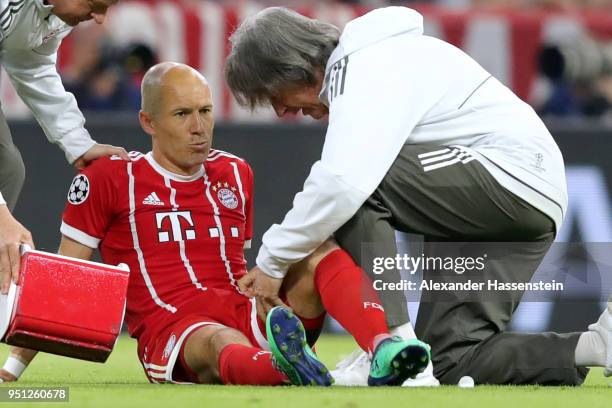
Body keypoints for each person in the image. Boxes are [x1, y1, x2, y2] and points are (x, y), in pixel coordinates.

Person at [224, 6, 612, 385]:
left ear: (293, 68)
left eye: (272, 94)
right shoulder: (370, 63)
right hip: (528, 199)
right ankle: (596, 345)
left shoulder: (361, 66)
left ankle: (391, 342)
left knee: (360, 186)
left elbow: (344, 183)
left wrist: (273, 261)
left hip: (508, 177)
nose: (280, 110)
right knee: (451, 358)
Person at [1, 62, 431, 385]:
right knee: (219, 340)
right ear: (148, 122)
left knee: (316, 249)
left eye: (205, 111)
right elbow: (64, 284)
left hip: (247, 309)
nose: (200, 128)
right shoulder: (110, 178)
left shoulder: (235, 172)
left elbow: (234, 264)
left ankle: (384, 346)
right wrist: (12, 371)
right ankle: (290, 371)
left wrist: (265, 290)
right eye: (182, 114)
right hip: (175, 328)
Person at [0, 0, 129, 299]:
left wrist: (78, 143)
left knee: (8, 170)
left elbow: (31, 64)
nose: (98, 19)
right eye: (96, 5)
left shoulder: (54, 14)